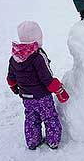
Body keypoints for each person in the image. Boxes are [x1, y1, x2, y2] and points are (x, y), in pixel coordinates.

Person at [6, 21, 69, 150]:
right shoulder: (38, 57)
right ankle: (53, 140)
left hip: (26, 96)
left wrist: (14, 88)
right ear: (37, 39)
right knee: (49, 117)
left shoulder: (15, 57)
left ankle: (33, 141)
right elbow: (47, 79)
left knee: (31, 118)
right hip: (42, 96)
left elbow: (11, 78)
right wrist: (59, 90)